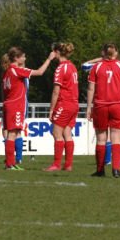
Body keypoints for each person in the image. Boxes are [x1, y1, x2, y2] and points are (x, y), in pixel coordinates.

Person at [1, 47, 56, 170]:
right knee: (13, 134)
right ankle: (10, 164)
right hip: (16, 105)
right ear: (16, 58)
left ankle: (11, 163)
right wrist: (49, 59)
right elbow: (40, 72)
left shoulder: (6, 72)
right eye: (23, 56)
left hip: (8, 104)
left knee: (12, 133)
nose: (25, 58)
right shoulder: (17, 70)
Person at [86, 43, 120, 178]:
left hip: (100, 105)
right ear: (116, 53)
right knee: (116, 138)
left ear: (103, 53)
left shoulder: (96, 67)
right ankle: (116, 169)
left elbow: (90, 88)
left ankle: (100, 170)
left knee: (101, 139)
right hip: (117, 105)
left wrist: (89, 107)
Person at [83, 55, 120, 165]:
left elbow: (84, 65)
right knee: (119, 135)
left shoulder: (98, 66)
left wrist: (99, 58)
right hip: (118, 103)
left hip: (102, 103)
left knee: (104, 136)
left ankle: (105, 162)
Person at [44, 43, 79, 172]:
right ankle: (68, 165)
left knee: (56, 133)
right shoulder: (72, 66)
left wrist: (52, 109)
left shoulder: (61, 68)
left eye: (52, 51)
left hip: (64, 103)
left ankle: (56, 164)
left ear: (57, 52)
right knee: (67, 134)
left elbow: (56, 91)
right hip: (74, 104)